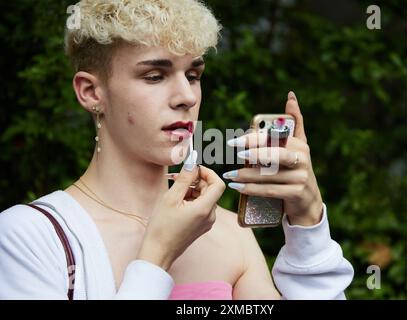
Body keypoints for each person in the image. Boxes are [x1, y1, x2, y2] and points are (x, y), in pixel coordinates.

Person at [0, 0, 353, 300]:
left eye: (194, 75)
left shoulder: (231, 234)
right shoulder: (29, 236)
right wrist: (156, 258)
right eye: (155, 76)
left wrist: (308, 224)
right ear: (92, 93)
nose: (186, 96)